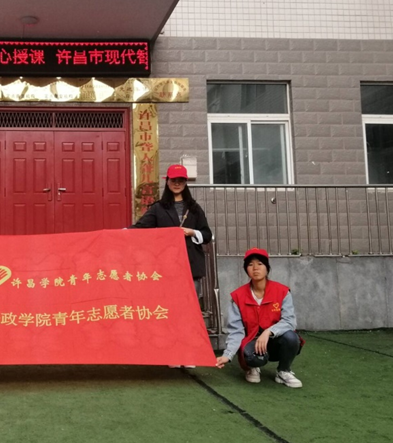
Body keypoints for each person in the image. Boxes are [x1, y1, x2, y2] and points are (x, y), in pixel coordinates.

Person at [215, 247, 303, 388]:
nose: (255, 268)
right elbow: (236, 331)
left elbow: (289, 321)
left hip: (274, 341)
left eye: (260, 264)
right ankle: (253, 367)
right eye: (250, 265)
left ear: (267, 268)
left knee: (291, 338)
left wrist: (269, 332)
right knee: (252, 358)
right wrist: (228, 355)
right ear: (246, 270)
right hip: (252, 343)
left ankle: (283, 371)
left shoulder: (282, 291)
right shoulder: (238, 296)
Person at [130, 164, 213, 297]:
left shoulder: (194, 208)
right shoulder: (158, 208)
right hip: (165, 265)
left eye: (180, 180)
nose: (177, 184)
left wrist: (192, 232)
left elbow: (207, 235)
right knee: (167, 302)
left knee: (190, 303)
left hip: (191, 265)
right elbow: (140, 228)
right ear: (167, 181)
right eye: (173, 180)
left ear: (185, 183)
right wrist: (119, 233)